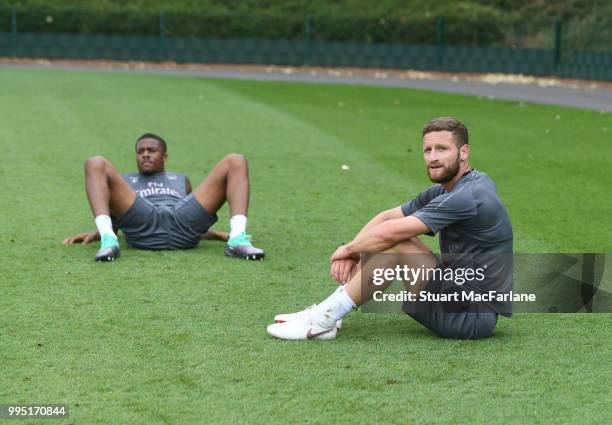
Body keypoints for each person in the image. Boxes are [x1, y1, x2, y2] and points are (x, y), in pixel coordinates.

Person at [267, 117, 512, 340]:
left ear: (463, 152)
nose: (433, 157)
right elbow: (386, 218)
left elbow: (391, 233)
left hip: (472, 316)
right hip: (458, 294)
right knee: (393, 240)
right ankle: (331, 311)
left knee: (399, 244)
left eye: (442, 149)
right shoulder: (448, 187)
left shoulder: (467, 195)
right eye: (428, 150)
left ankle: (324, 321)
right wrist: (354, 252)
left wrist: (348, 250)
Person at [64, 133, 265, 262]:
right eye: (140, 151)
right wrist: (100, 231)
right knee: (95, 162)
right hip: (144, 221)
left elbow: (192, 221)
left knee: (236, 161)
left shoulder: (180, 179)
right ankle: (108, 241)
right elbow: (120, 216)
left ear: (164, 156)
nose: (145, 155)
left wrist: (217, 235)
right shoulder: (126, 181)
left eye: (152, 150)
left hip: (180, 222)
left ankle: (237, 239)